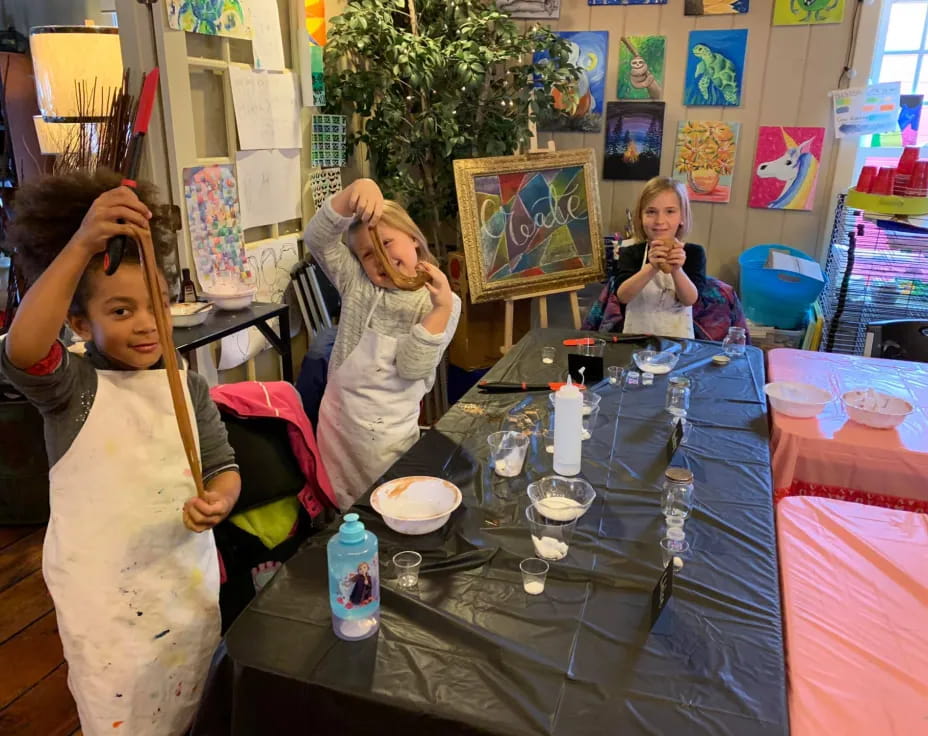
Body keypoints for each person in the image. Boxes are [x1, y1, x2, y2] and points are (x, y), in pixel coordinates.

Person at [1, 169, 241, 736]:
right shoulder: (73, 388)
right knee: (124, 714)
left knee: (189, 702)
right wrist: (83, 241)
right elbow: (24, 348)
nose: (145, 325)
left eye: (154, 304)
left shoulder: (186, 385)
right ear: (80, 323)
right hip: (107, 600)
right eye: (120, 311)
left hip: (182, 584)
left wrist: (220, 499)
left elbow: (223, 465)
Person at [304, 178, 461, 510]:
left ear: (414, 240)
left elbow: (412, 368)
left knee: (387, 508)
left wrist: (440, 310)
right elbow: (316, 239)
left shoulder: (440, 302)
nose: (380, 260)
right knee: (339, 514)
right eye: (367, 255)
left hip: (388, 440)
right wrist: (353, 192)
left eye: (387, 243)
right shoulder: (357, 283)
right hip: (338, 432)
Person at [614, 177, 707, 339]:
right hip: (635, 341)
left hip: (679, 342)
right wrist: (652, 266)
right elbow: (623, 296)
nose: (659, 221)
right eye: (651, 212)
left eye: (670, 211)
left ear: (682, 217)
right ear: (640, 217)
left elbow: (690, 300)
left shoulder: (694, 253)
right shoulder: (630, 253)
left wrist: (676, 269)